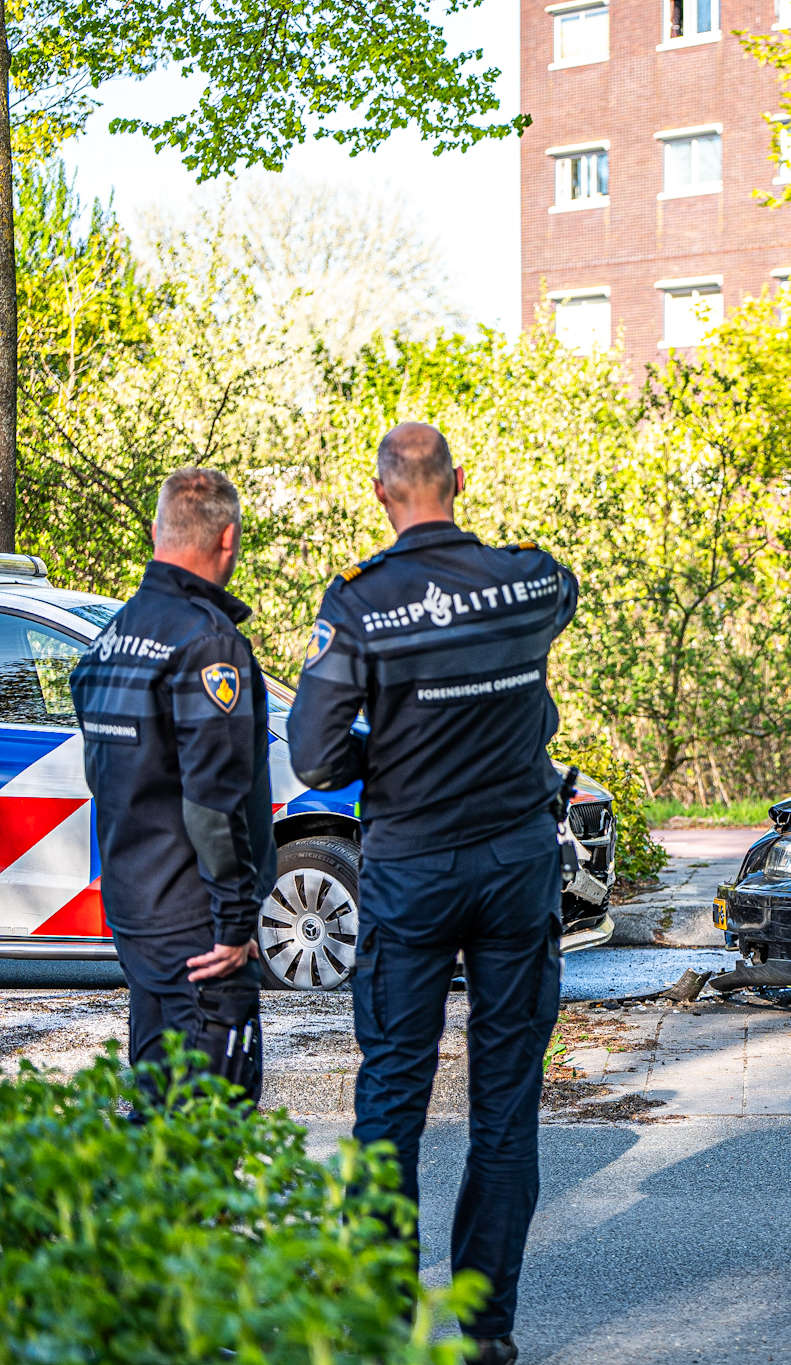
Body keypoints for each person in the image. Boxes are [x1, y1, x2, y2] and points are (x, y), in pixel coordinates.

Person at [288, 423, 578, 1365]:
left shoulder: (363, 605)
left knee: (392, 1100)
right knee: (504, 1103)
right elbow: (557, 608)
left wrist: (399, 744)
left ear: (383, 495)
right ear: (457, 481)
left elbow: (317, 755)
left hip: (412, 874)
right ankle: (486, 1335)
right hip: (514, 866)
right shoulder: (531, 581)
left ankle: (378, 1326)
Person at [70, 467, 275, 1108]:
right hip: (200, 933)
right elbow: (212, 804)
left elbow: (105, 774)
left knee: (158, 1109)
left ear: (158, 531)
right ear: (228, 539)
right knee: (214, 1120)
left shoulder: (109, 641)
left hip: (136, 914)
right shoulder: (206, 644)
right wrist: (237, 924)